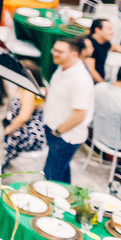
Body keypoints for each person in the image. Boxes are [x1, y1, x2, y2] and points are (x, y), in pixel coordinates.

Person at [41, 38, 95, 184]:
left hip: (65, 136)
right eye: (54, 50)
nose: (55, 54)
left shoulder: (79, 79)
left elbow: (80, 115)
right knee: (62, 171)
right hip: (55, 129)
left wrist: (58, 131)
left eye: (60, 52)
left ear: (74, 54)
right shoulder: (62, 68)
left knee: (51, 176)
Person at [3, 60, 47, 175]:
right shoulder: (21, 87)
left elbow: (24, 117)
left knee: (2, 141)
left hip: (28, 131)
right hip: (20, 126)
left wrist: (6, 131)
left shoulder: (29, 91)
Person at [84, 18, 121, 84]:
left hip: (100, 82)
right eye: (109, 29)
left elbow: (115, 47)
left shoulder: (104, 42)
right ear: (97, 30)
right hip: (89, 83)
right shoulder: (89, 44)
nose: (112, 32)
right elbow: (91, 70)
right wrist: (103, 85)